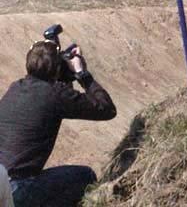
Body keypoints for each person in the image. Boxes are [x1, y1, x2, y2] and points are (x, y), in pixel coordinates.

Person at [0, 41, 117, 207]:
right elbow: (106, 109)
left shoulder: (15, 88)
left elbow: (51, 96)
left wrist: (61, 74)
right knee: (86, 176)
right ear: (56, 69)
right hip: (17, 190)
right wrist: (82, 73)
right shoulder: (55, 94)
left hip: (2, 185)